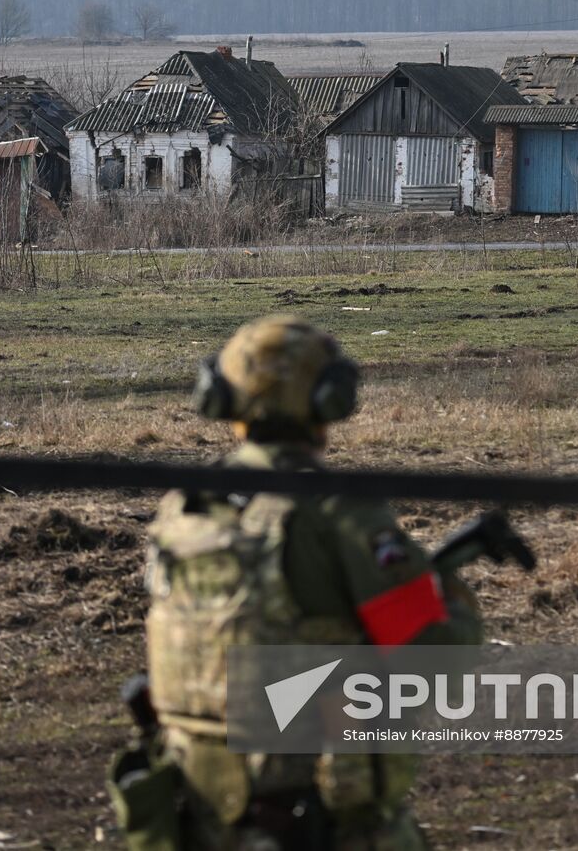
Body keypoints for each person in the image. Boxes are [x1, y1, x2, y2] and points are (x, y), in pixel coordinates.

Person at [109, 314, 484, 850]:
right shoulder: (337, 511)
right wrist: (448, 589)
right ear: (330, 400)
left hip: (196, 817)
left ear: (220, 395)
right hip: (314, 824)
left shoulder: (183, 509)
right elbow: (434, 653)